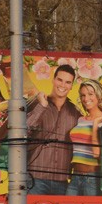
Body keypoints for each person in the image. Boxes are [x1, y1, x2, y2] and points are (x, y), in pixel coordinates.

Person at [25, 63, 80, 196]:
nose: (62, 85)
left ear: (71, 86)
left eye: (68, 82)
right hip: (35, 179)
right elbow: (24, 131)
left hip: (61, 182)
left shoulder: (75, 114)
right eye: (59, 80)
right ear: (53, 80)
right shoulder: (37, 103)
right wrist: (42, 106)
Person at [67, 79, 102, 197]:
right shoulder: (80, 120)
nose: (86, 99)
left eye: (90, 94)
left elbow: (97, 154)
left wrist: (96, 124)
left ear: (99, 95)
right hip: (75, 176)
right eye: (83, 95)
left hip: (93, 179)